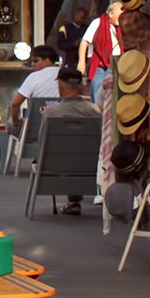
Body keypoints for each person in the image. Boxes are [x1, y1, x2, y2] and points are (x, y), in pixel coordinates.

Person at [41, 67, 100, 215]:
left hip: (55, 167)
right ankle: (74, 201)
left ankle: (73, 202)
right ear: (81, 87)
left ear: (60, 86)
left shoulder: (51, 113)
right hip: (90, 166)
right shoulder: (95, 111)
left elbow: (42, 143)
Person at [78, 0, 123, 103]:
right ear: (111, 14)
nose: (122, 18)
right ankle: (99, 116)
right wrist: (81, 62)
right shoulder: (98, 22)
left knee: (114, 94)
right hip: (100, 64)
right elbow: (84, 42)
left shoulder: (119, 27)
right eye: (120, 15)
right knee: (98, 92)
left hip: (116, 63)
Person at [9, 45, 61, 126]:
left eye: (36, 61)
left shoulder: (34, 76)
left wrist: (16, 122)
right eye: (31, 62)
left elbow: (15, 103)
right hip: (62, 122)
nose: (32, 64)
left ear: (47, 60)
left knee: (10, 125)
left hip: (37, 124)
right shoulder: (64, 74)